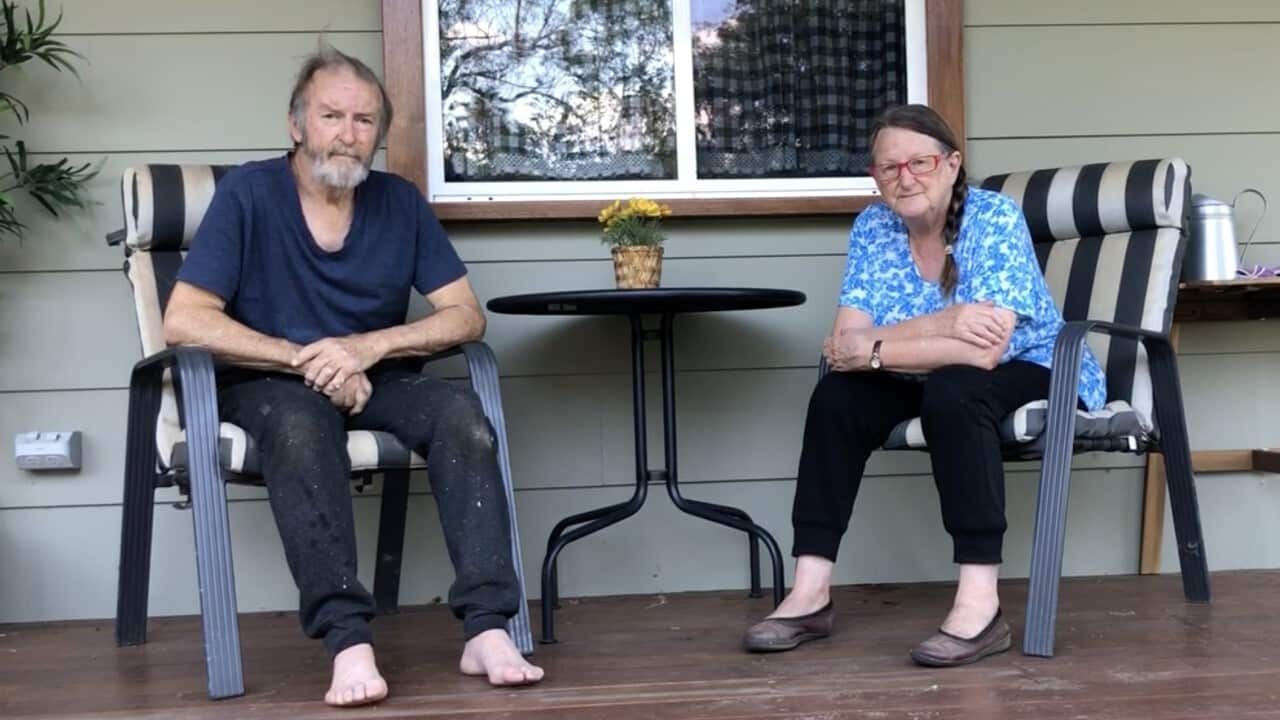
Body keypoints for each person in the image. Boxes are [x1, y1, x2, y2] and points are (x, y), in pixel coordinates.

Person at [163, 47, 544, 707]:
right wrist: (310, 360)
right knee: (300, 426)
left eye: (364, 120)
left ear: (379, 133)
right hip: (267, 382)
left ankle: (487, 628)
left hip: (376, 379)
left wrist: (366, 348)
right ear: (296, 125)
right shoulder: (248, 194)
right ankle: (347, 640)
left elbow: (465, 316)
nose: (348, 133)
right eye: (331, 115)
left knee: (463, 419)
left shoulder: (399, 203)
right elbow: (185, 319)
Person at [741, 104, 1106, 667]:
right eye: (889, 167)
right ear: (875, 176)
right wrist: (942, 323)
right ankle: (810, 593)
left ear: (952, 164)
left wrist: (875, 347)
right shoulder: (873, 227)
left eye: (920, 162)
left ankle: (980, 605)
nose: (904, 177)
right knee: (837, 398)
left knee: (956, 390)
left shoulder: (994, 218)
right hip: (920, 371)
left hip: (1036, 368)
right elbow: (844, 345)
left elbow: (982, 351)